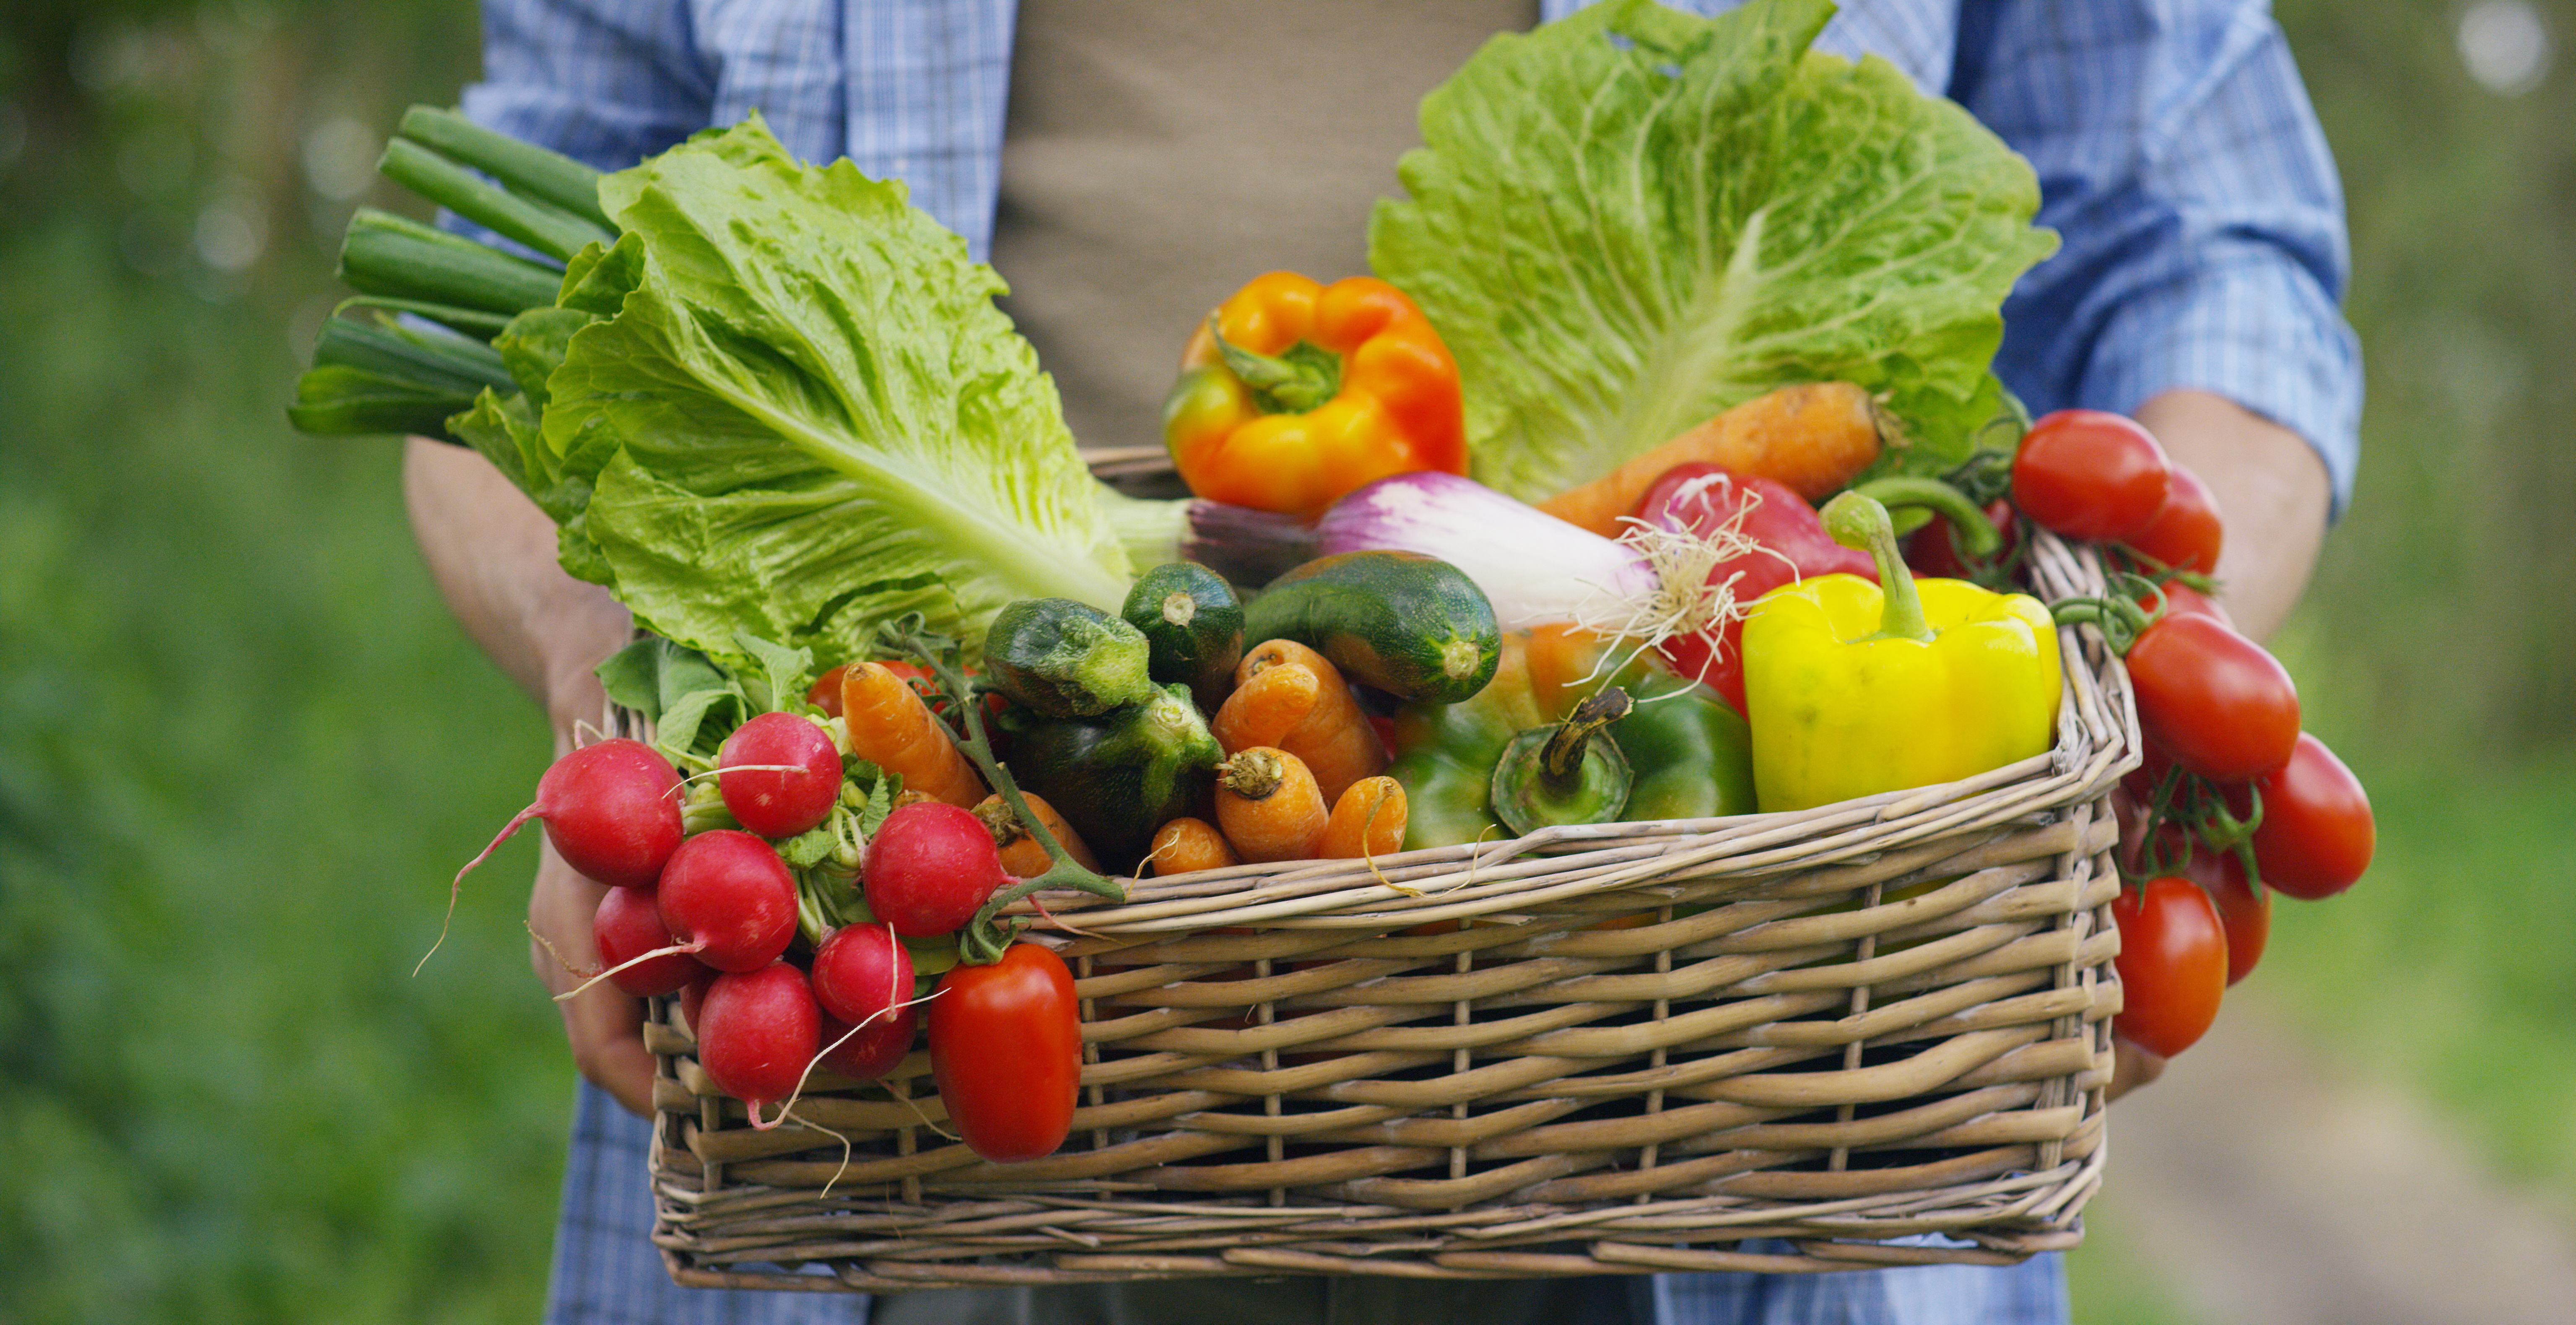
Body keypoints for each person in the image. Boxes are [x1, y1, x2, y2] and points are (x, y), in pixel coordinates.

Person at [405, 2, 2358, 1322]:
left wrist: (2134, 684)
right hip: (891, 1010)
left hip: (1749, 1088)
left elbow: (2211, 234)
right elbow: (530, 308)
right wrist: (625, 718)